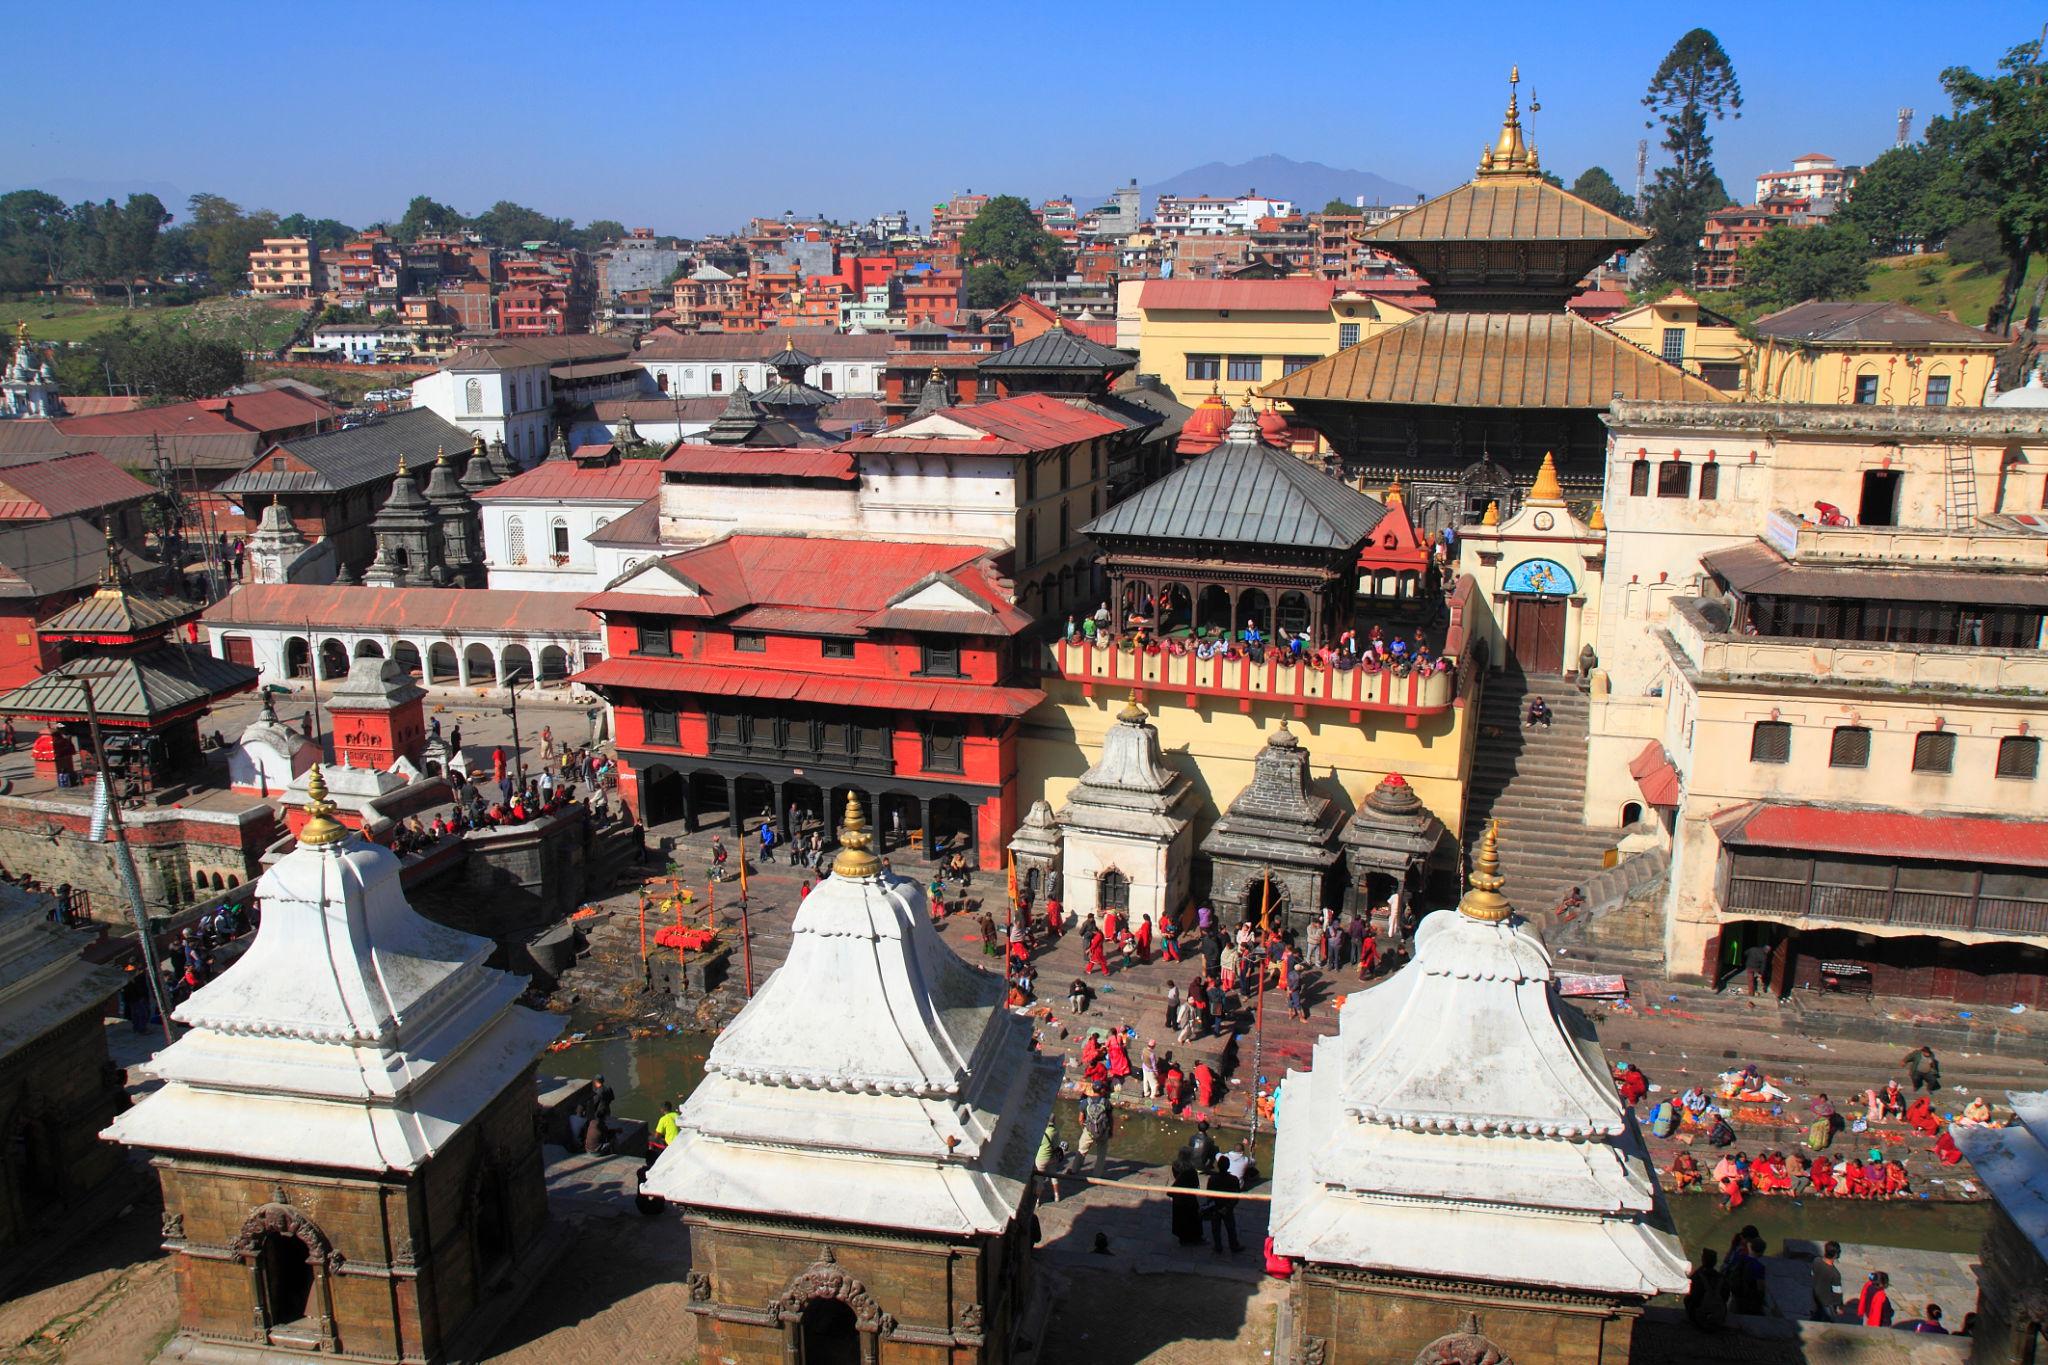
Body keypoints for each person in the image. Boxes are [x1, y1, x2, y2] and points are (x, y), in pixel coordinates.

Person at [1205, 1154, 1244, 1254]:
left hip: (1216, 1206)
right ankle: (1233, 1246)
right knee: (1230, 1228)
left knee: (1216, 1228)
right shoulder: (1233, 1179)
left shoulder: (1212, 1179)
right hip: (1227, 1207)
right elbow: (1236, 1196)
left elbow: (1209, 1194)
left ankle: (1218, 1246)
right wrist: (1228, 1207)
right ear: (1228, 1166)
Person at [1685, 1249, 1727, 1331]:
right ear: (1715, 1262)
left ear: (1703, 1260)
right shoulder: (1721, 1278)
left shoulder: (1697, 1278)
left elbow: (1691, 1296)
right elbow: (1725, 1297)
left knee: (1688, 1299)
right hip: (1718, 1316)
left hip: (1700, 1318)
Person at [1077, 1083, 1113, 1176]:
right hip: (1103, 1131)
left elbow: (1080, 1119)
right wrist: (1110, 1131)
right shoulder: (1106, 1102)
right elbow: (1110, 1118)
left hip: (1089, 1130)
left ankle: (1074, 1170)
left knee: (1082, 1150)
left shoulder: (1085, 1102)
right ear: (1101, 1090)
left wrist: (1084, 1128)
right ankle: (1097, 1174)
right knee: (1101, 1155)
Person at [1169, 1150, 1204, 1245]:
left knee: (1180, 1217)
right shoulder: (1191, 1170)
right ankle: (1195, 1238)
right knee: (1192, 1217)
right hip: (1188, 1197)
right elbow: (1195, 1184)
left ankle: (1183, 1238)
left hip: (1178, 1197)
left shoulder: (1175, 1166)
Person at [1034, 1115, 1065, 1203]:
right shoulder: (1055, 1131)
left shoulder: (1042, 1131)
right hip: (1052, 1158)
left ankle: (1037, 1200)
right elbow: (1056, 1145)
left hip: (1042, 1158)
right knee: (1053, 1176)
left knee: (1039, 1179)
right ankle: (1057, 1196)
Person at [1811, 1241, 1844, 1322]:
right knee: (1829, 1320)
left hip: (1815, 1295)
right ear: (1836, 1255)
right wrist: (1838, 1307)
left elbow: (1812, 1274)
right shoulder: (1835, 1274)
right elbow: (1837, 1293)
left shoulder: (1816, 1261)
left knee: (1816, 1314)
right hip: (1826, 1301)